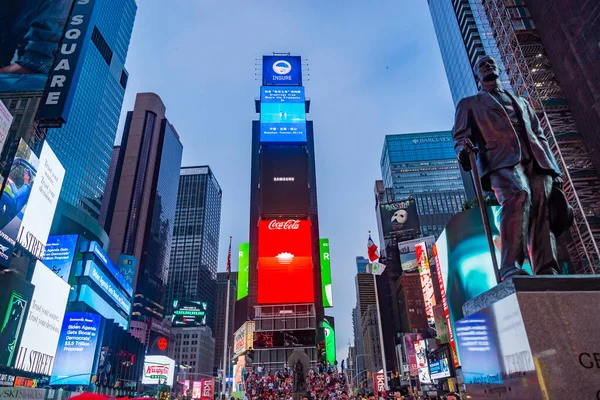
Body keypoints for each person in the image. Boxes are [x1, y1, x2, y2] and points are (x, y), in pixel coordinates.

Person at [453, 55, 566, 280]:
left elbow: (539, 134)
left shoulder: (522, 102)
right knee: (518, 195)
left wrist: (554, 170)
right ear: (477, 75)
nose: (488, 66)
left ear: (498, 69)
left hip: (535, 160)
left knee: (541, 209)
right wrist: (463, 150)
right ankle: (509, 266)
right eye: (482, 65)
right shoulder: (470, 104)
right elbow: (459, 136)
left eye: (491, 63)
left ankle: (546, 268)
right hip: (499, 161)